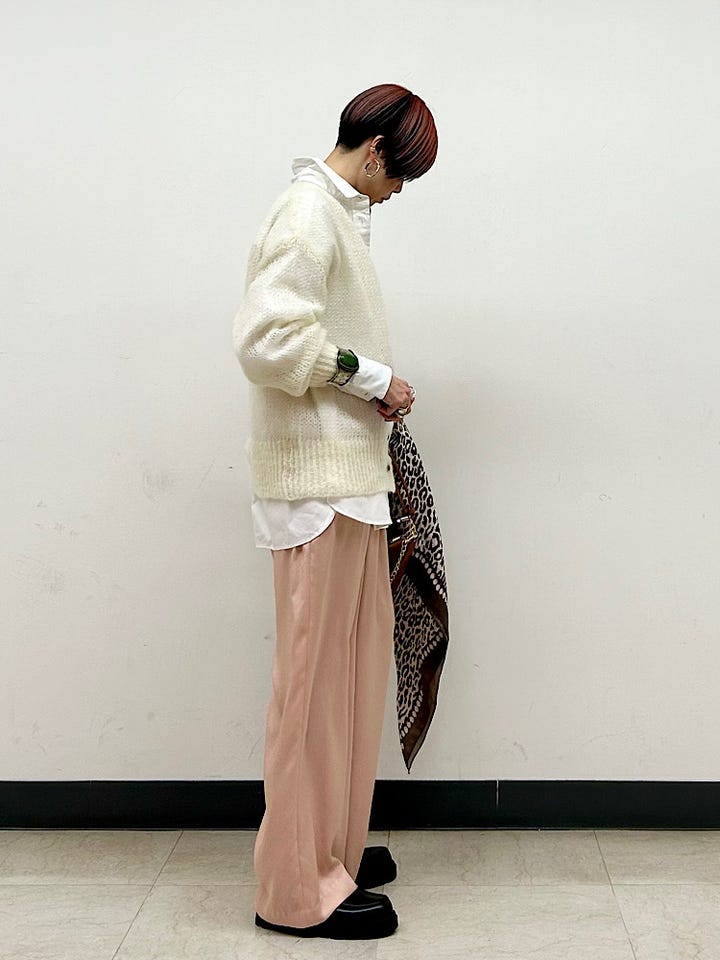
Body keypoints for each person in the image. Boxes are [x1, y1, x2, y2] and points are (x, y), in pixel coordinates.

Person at [232, 82, 438, 941]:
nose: (399, 193)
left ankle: (333, 849)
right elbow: (265, 340)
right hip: (317, 489)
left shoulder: (337, 216)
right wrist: (371, 376)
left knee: (351, 680)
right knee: (313, 691)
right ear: (377, 150)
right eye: (402, 175)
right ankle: (293, 891)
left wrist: (366, 387)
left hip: (347, 479)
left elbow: (308, 341)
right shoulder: (308, 212)